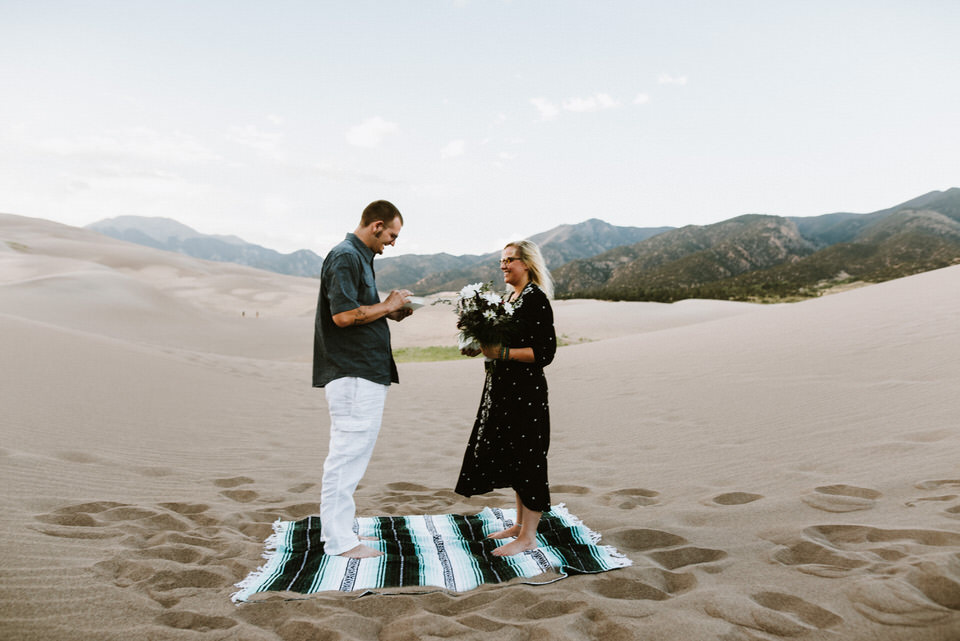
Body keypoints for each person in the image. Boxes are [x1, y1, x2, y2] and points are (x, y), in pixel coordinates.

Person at [313, 200, 413, 559]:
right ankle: (339, 543)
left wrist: (390, 313)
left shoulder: (359, 257)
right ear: (376, 225)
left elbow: (359, 312)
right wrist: (387, 305)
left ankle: (341, 533)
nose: (392, 242)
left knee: (353, 454)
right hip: (352, 371)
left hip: (364, 371)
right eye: (391, 234)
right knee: (347, 454)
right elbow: (342, 316)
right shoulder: (345, 256)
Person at [455, 240, 557, 557]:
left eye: (509, 260)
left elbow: (545, 352)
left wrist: (503, 352)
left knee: (529, 457)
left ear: (525, 263)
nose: (503, 265)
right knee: (515, 457)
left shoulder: (536, 300)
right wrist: (475, 341)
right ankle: (518, 526)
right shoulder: (509, 297)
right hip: (502, 388)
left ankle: (529, 536)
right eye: (501, 260)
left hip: (525, 390)